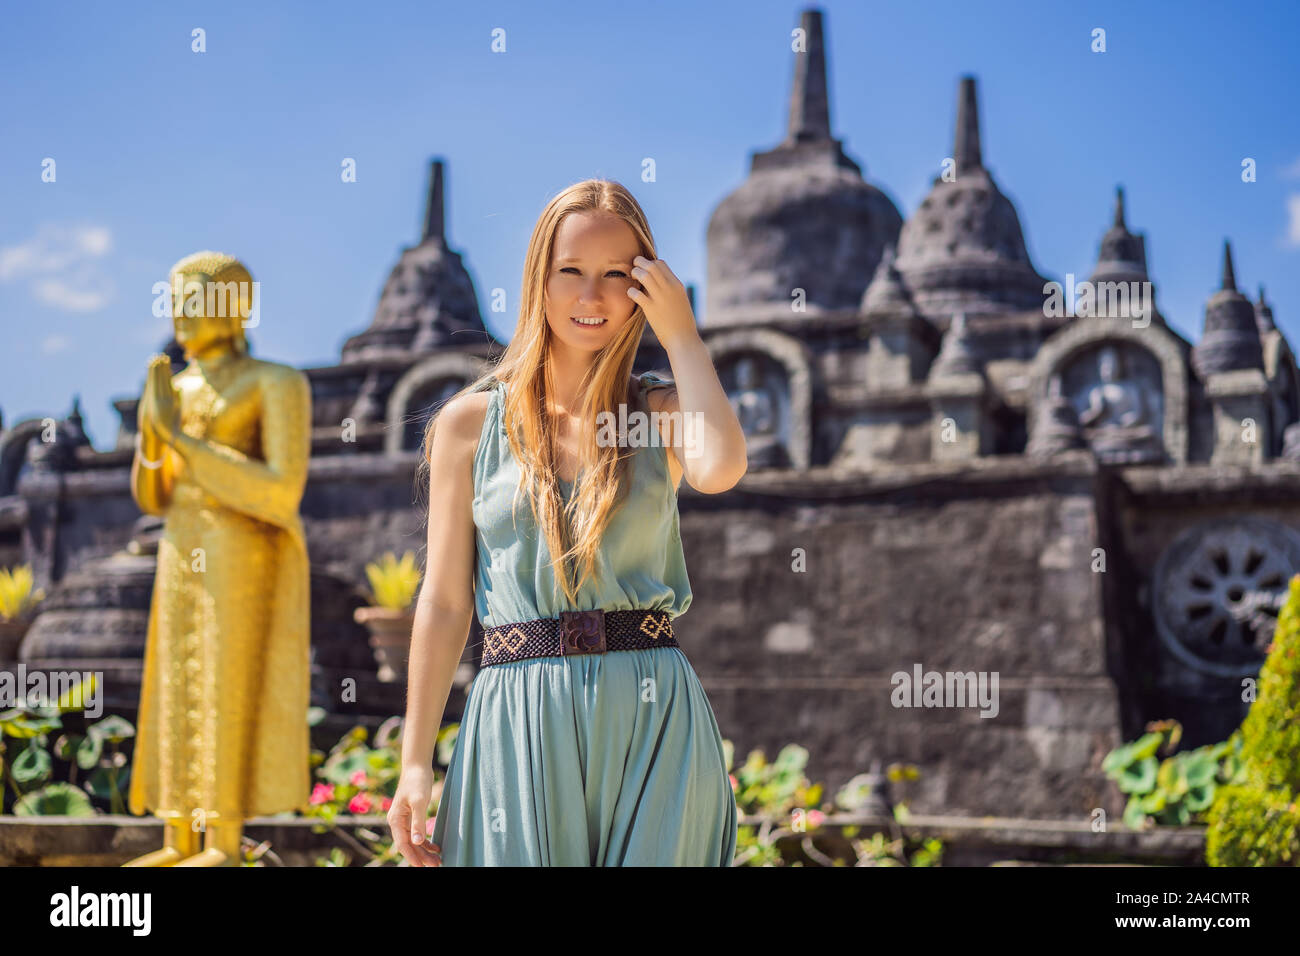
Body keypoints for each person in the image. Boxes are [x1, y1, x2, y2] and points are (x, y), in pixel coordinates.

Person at [386, 179, 747, 866]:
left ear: (648, 285)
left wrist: (684, 337)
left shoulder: (663, 411)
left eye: (619, 275)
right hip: (515, 716)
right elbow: (443, 601)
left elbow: (721, 468)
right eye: (571, 272)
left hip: (653, 712)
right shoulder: (468, 424)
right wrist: (414, 763)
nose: (593, 297)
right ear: (537, 280)